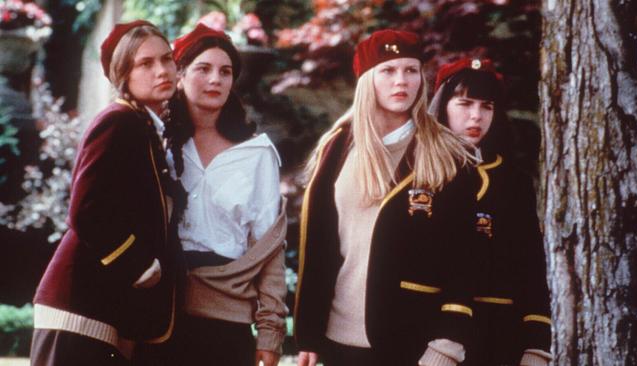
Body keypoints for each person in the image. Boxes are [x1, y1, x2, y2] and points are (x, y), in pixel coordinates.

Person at [294, 29, 480, 366]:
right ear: (368, 80)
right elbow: (319, 245)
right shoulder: (336, 147)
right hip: (338, 342)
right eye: (389, 71)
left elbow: (466, 262)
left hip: (415, 344)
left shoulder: (449, 155)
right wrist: (308, 334)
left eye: (411, 70)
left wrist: (447, 345)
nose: (402, 81)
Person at [30, 20, 179, 365]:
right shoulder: (119, 120)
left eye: (167, 59)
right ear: (123, 74)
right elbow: (85, 209)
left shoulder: (144, 127)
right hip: (77, 309)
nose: (162, 70)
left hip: (98, 311)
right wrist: (138, 264)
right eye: (146, 63)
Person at [165, 23, 288, 366]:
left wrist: (270, 333)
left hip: (227, 318)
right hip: (163, 314)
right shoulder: (159, 143)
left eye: (225, 71)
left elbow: (269, 249)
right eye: (203, 69)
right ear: (180, 75)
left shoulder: (256, 154)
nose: (215, 80)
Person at [429, 58, 552, 366]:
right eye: (465, 103)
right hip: (432, 336)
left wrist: (537, 344)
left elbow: (532, 267)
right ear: (442, 104)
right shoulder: (419, 176)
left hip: (503, 337)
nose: (476, 116)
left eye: (487, 106)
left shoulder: (514, 181)